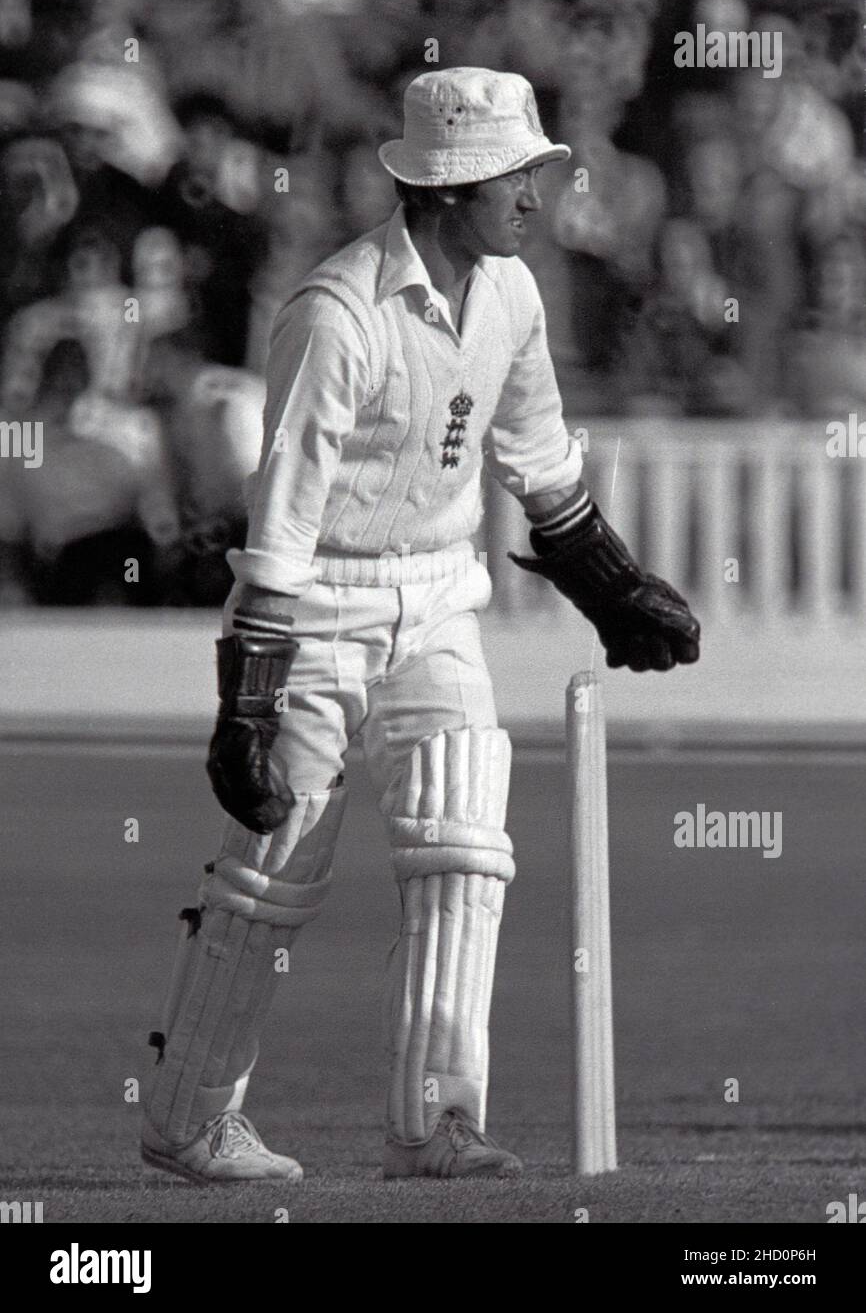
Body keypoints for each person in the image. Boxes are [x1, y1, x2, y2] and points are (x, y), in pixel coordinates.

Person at [141, 67, 699, 1184]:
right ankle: (187, 1119)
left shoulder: (511, 296)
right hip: (317, 610)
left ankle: (434, 1125)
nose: (536, 197)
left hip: (440, 599)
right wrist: (246, 692)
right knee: (269, 877)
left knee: (462, 852)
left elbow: (538, 460)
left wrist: (613, 584)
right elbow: (283, 516)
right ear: (445, 190)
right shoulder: (336, 314)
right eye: (511, 177)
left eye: (533, 173)